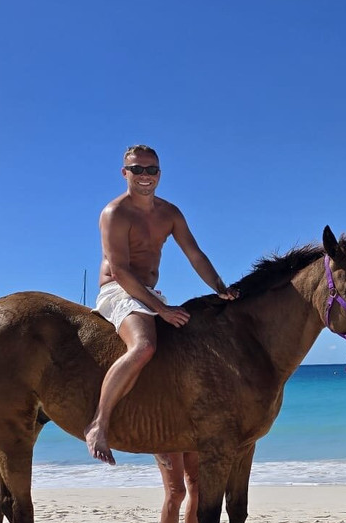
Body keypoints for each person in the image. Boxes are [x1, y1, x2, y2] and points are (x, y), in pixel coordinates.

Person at [87, 144, 238, 465]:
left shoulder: (170, 213)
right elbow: (120, 270)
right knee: (143, 347)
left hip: (150, 294)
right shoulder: (115, 213)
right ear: (124, 173)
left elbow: (195, 254)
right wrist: (163, 311)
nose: (145, 176)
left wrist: (220, 286)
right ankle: (99, 423)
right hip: (118, 290)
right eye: (137, 169)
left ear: (160, 174)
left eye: (151, 169)